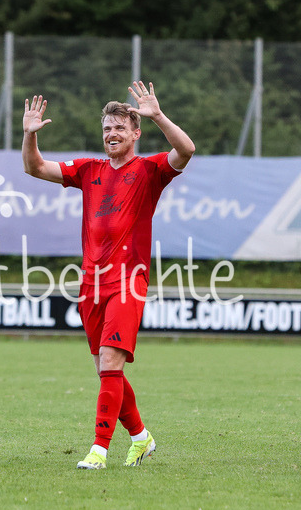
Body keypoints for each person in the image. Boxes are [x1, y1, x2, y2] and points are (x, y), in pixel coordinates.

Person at [21, 82, 195, 470]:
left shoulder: (149, 170)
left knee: (111, 363)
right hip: (90, 283)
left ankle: (99, 450)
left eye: (119, 128)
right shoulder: (89, 170)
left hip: (129, 281)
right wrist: (29, 135)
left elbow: (186, 150)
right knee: (106, 369)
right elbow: (33, 167)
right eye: (107, 129)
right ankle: (141, 437)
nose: (112, 135)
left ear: (135, 133)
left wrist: (158, 116)